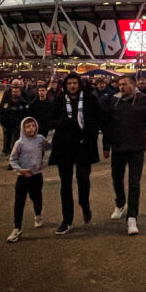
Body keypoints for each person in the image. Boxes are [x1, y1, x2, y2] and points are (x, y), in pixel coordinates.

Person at [101, 75, 146, 236]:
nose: (121, 87)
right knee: (116, 178)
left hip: (137, 148)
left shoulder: (145, 100)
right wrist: (106, 146)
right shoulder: (114, 101)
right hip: (118, 147)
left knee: (134, 182)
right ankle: (120, 203)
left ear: (133, 85)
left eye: (125, 84)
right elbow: (107, 124)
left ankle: (132, 217)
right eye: (119, 84)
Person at [49, 73, 102, 235]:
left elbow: (97, 119)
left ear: (80, 84)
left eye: (75, 83)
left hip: (83, 145)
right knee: (65, 184)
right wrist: (61, 123)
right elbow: (50, 119)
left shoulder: (89, 99)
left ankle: (84, 205)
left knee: (83, 179)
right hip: (64, 146)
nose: (72, 86)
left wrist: (89, 134)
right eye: (69, 83)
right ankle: (67, 220)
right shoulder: (59, 100)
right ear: (65, 85)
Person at [6, 117, 51, 243]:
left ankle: (38, 215)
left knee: (36, 198)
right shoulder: (19, 143)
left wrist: (45, 161)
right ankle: (17, 228)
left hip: (36, 175)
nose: (31, 128)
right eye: (27, 126)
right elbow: (13, 159)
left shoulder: (40, 139)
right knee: (19, 202)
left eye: (33, 126)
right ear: (23, 128)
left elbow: (48, 147)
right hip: (23, 177)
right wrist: (20, 170)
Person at [0, 83, 30, 163]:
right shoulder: (6, 102)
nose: (15, 93)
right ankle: (8, 152)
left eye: (17, 92)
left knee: (15, 142)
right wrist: (3, 123)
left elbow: (27, 114)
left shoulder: (23, 103)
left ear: (20, 93)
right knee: (7, 141)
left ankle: (13, 160)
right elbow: (1, 112)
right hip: (7, 125)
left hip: (17, 126)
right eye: (13, 92)